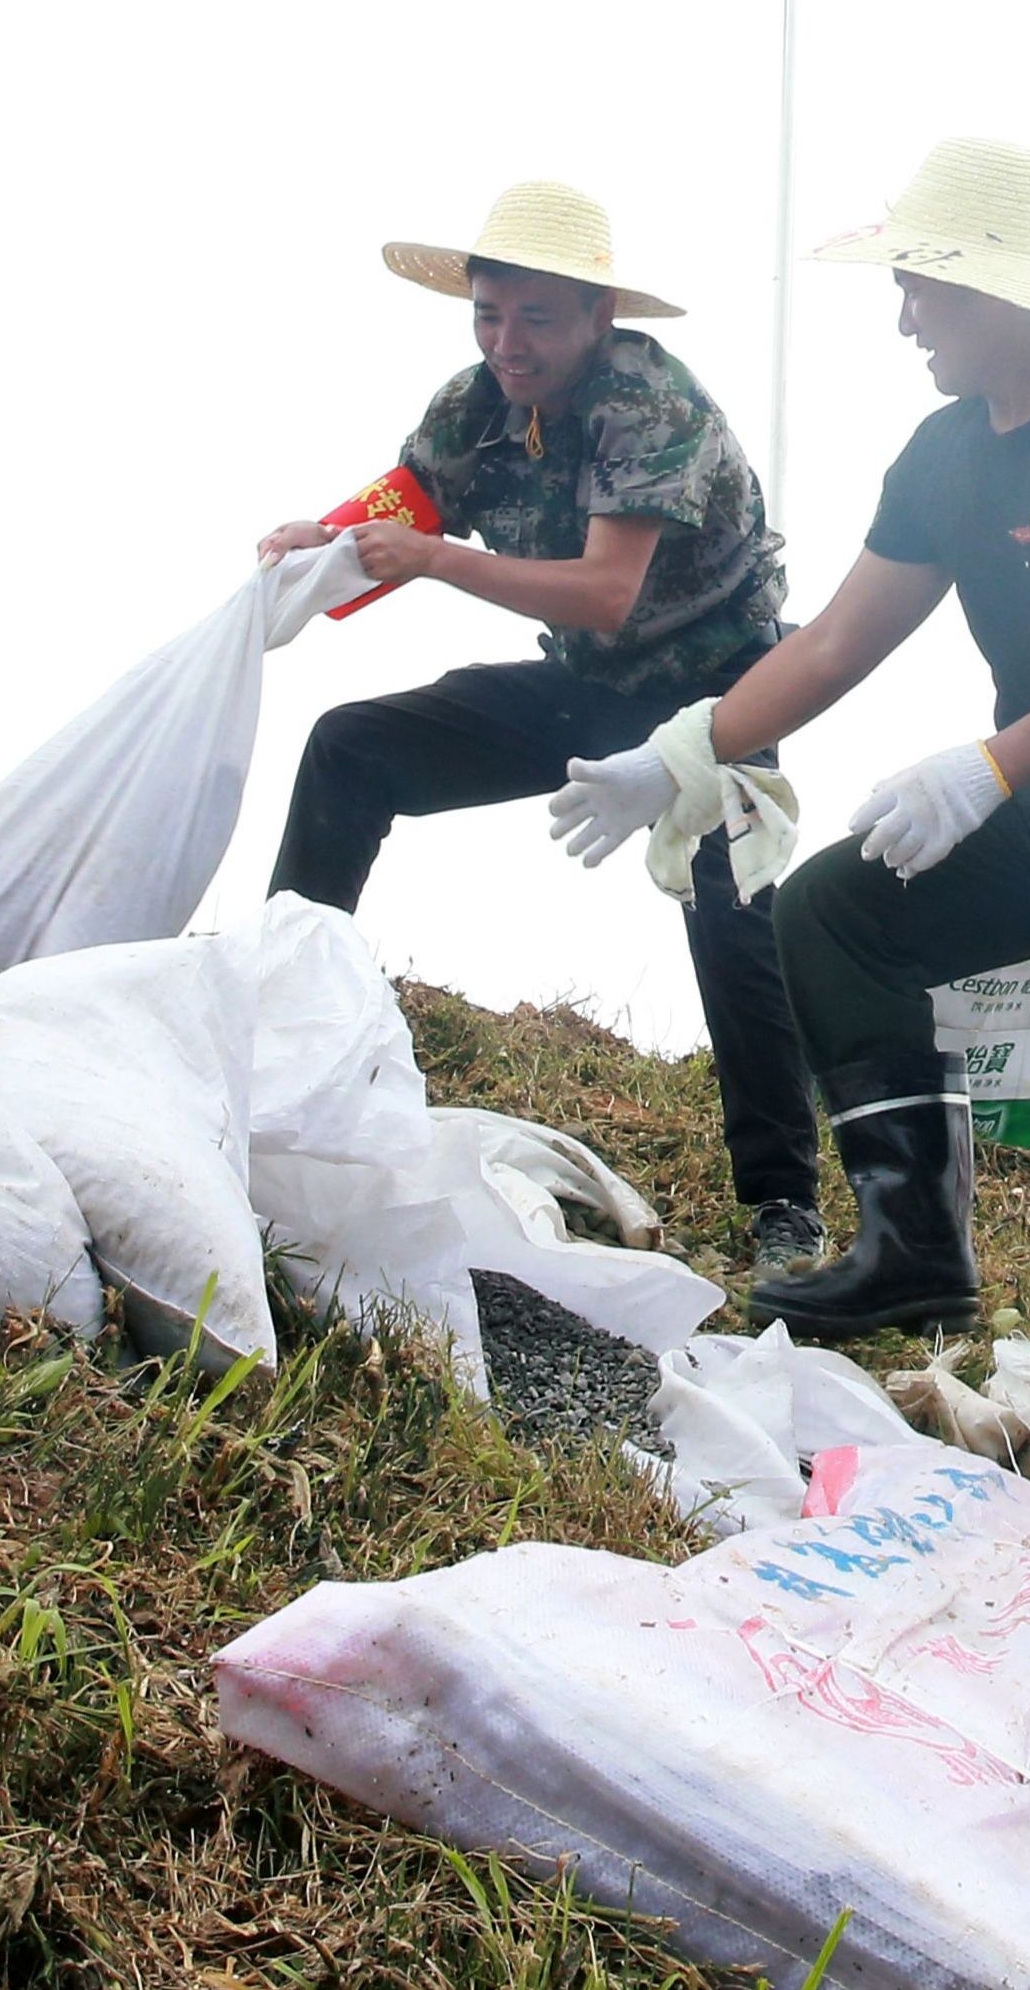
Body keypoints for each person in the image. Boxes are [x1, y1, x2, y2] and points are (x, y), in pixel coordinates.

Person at [547, 138, 1030, 1426]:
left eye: (927, 289)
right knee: (831, 910)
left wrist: (990, 764)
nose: (905, 320)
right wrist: (684, 751)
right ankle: (914, 1245)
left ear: (1009, 292)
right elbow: (838, 641)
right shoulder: (943, 455)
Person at [258, 181, 819, 1273]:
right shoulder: (476, 400)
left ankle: (783, 1207)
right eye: (487, 314)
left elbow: (606, 590)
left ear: (600, 317)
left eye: (537, 320)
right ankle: (274, 1033)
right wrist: (318, 543)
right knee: (350, 747)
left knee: (729, 901)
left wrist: (436, 562)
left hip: (715, 695)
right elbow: (413, 496)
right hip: (581, 682)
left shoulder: (651, 406)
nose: (507, 344)